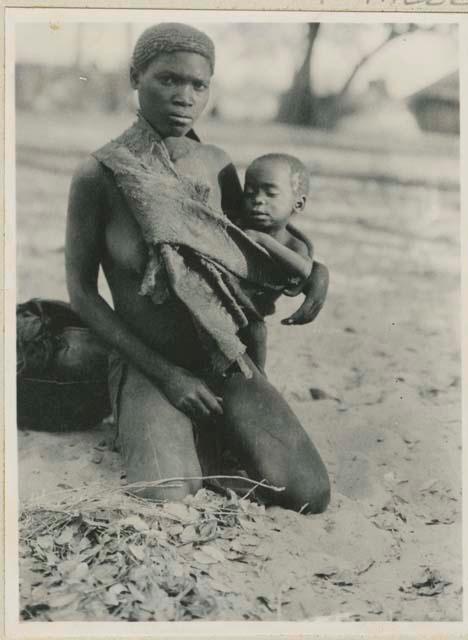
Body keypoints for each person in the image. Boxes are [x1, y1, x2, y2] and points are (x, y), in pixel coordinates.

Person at [65, 23, 330, 513]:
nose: (184, 97)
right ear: (135, 76)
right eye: (168, 80)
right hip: (150, 364)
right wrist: (167, 377)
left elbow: (250, 254)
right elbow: (81, 294)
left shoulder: (217, 164)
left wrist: (317, 272)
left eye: (198, 85)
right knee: (168, 494)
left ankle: (210, 432)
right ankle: (162, 420)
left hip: (222, 357)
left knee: (307, 493)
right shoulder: (100, 174)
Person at [236, 152, 314, 372]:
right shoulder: (240, 224)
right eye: (250, 192)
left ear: (298, 204)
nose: (258, 199)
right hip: (222, 303)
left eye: (270, 193)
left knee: (255, 356)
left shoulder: (294, 244)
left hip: (253, 317)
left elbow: (306, 270)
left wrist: (264, 240)